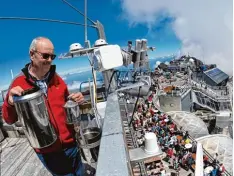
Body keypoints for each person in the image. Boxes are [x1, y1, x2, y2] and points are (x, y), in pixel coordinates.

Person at [2, 37, 85, 176]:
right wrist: (10, 103)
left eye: (52, 56)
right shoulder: (18, 83)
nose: (49, 60)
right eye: (45, 56)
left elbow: (65, 102)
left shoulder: (56, 78)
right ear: (31, 54)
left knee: (80, 172)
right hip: (49, 151)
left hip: (71, 143)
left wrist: (75, 100)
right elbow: (8, 119)